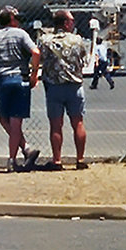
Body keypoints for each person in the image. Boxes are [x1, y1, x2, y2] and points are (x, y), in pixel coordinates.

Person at [0, 7, 41, 171]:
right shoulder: (21, 34)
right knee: (15, 121)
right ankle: (17, 155)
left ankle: (24, 150)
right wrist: (34, 74)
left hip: (2, 80)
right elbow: (35, 51)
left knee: (4, 119)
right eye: (16, 18)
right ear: (11, 20)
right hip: (19, 78)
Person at [38, 9, 89, 169]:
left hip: (54, 86)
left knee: (56, 124)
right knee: (78, 123)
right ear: (66, 23)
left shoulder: (45, 40)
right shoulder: (77, 40)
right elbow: (83, 58)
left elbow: (40, 59)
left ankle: (57, 160)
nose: (73, 23)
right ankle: (80, 160)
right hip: (74, 86)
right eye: (71, 20)